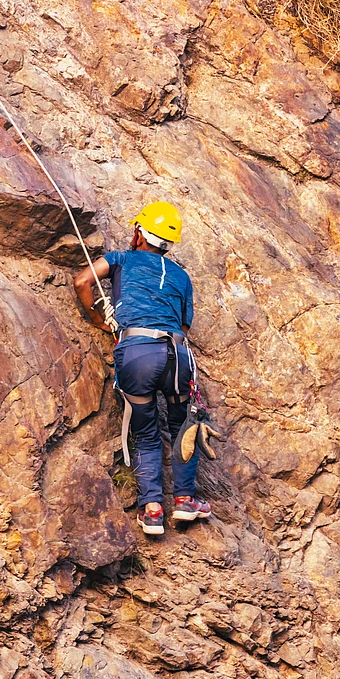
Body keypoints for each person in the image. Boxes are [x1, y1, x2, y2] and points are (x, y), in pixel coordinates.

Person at [73, 202, 211, 536]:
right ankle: (185, 500)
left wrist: (99, 320)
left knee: (147, 432)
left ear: (139, 233)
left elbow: (82, 281)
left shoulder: (121, 258)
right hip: (177, 355)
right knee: (183, 429)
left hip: (137, 352)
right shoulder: (181, 276)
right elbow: (184, 325)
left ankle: (152, 510)